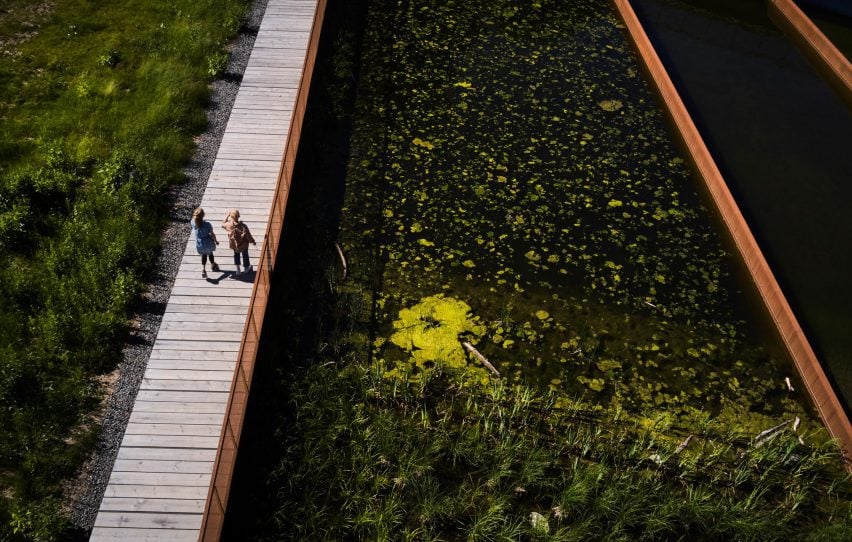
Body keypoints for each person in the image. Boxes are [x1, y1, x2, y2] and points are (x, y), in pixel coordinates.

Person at [222, 209, 256, 276]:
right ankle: (246, 268)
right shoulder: (243, 226)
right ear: (239, 216)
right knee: (245, 255)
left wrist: (227, 216)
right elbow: (248, 235)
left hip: (235, 245)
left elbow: (223, 224)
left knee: (236, 255)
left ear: (231, 217)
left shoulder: (229, 225)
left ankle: (238, 270)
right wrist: (253, 241)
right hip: (243, 244)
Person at [192, 207, 219, 278]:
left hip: (200, 244)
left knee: (204, 255)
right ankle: (213, 265)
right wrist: (216, 241)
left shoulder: (193, 223)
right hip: (208, 243)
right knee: (210, 254)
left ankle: (203, 269)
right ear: (203, 215)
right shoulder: (207, 225)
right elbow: (212, 234)